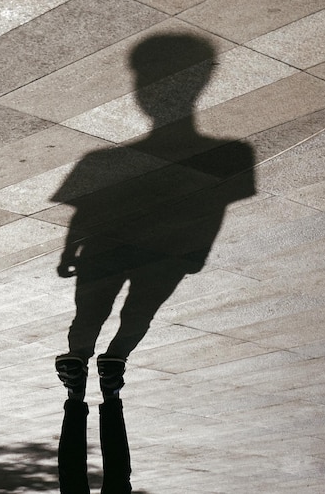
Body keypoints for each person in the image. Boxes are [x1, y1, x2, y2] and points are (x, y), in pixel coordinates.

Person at [53, 34, 255, 493]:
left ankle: (92, 378)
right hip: (161, 249)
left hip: (121, 248)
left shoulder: (103, 159)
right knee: (127, 312)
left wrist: (71, 249)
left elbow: (85, 212)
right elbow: (213, 207)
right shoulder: (229, 155)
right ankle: (103, 374)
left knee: (111, 312)